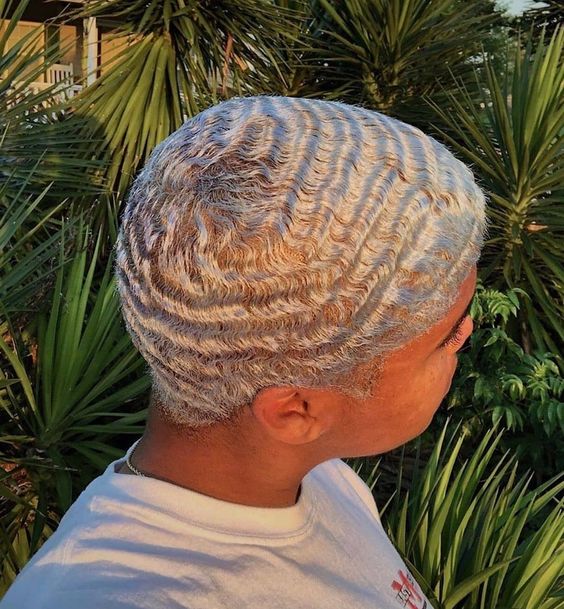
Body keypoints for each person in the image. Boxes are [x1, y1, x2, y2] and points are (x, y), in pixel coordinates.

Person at [1, 95, 486, 609]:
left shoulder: (322, 478)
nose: (469, 333)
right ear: (295, 410)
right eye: (448, 337)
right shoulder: (117, 598)